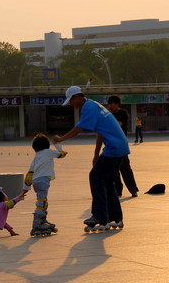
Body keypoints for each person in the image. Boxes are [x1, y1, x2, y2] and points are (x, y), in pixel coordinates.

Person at [53, 86, 130, 230]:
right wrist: (96, 154)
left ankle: (100, 217)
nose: (70, 104)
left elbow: (79, 128)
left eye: (70, 101)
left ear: (77, 97)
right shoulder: (94, 105)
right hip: (121, 146)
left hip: (113, 147)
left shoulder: (88, 107)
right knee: (107, 182)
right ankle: (116, 217)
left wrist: (61, 138)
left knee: (95, 176)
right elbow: (100, 131)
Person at [22, 133, 67, 236]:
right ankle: (36, 223)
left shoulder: (36, 156)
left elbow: (29, 175)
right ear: (47, 145)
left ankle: (42, 221)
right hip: (43, 181)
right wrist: (56, 144)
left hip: (36, 182)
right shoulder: (48, 152)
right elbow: (62, 154)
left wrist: (25, 189)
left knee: (44, 202)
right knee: (41, 203)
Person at [107, 94, 139, 197]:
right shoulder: (108, 114)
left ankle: (133, 189)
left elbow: (116, 126)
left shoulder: (123, 113)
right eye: (109, 104)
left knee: (125, 168)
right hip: (110, 145)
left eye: (111, 104)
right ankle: (118, 191)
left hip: (121, 144)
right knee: (113, 170)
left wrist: (109, 115)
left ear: (116, 104)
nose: (110, 106)